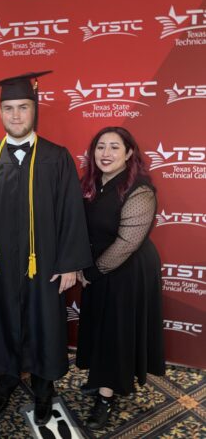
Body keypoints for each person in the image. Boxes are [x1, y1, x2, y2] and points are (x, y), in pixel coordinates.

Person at [0, 71, 91, 425]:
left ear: (35, 110)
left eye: (23, 107)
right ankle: (6, 379)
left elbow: (71, 213)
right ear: (0, 112)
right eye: (8, 108)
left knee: (44, 323)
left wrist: (69, 263)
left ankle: (44, 387)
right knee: (1, 320)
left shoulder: (56, 157)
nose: (16, 115)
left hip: (43, 264)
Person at [76, 126, 165, 430]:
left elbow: (127, 243)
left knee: (115, 332)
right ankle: (100, 380)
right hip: (98, 267)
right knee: (100, 327)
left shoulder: (139, 189)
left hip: (127, 269)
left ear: (129, 153)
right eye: (100, 147)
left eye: (114, 147)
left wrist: (91, 271)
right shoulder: (91, 183)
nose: (106, 154)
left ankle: (106, 397)